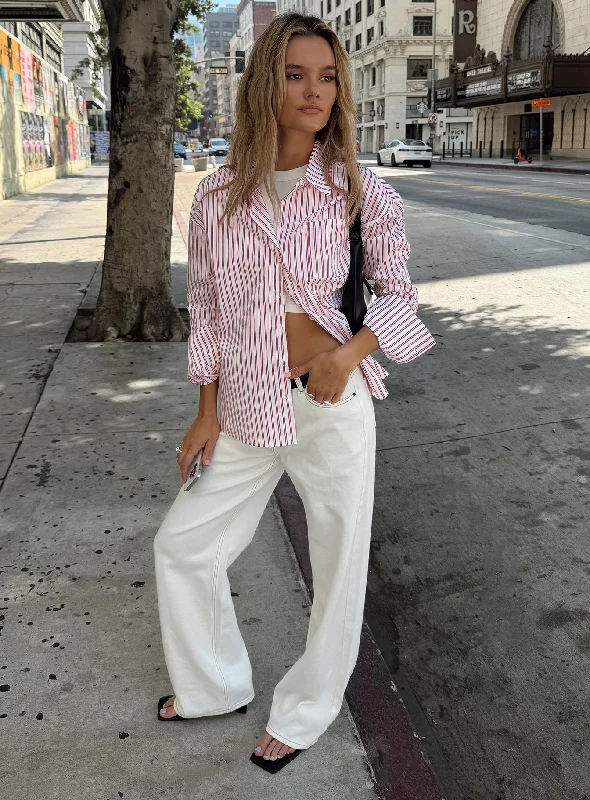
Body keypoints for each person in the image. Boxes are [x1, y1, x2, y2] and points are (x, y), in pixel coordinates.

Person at [153, 12, 435, 774]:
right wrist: (204, 413)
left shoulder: (355, 189)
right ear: (264, 83)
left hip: (329, 403)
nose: (315, 90)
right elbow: (207, 308)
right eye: (295, 74)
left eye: (328, 76)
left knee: (340, 567)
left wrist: (349, 355)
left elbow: (403, 296)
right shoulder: (215, 198)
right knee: (183, 545)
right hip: (246, 403)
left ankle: (307, 711)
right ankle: (213, 687)